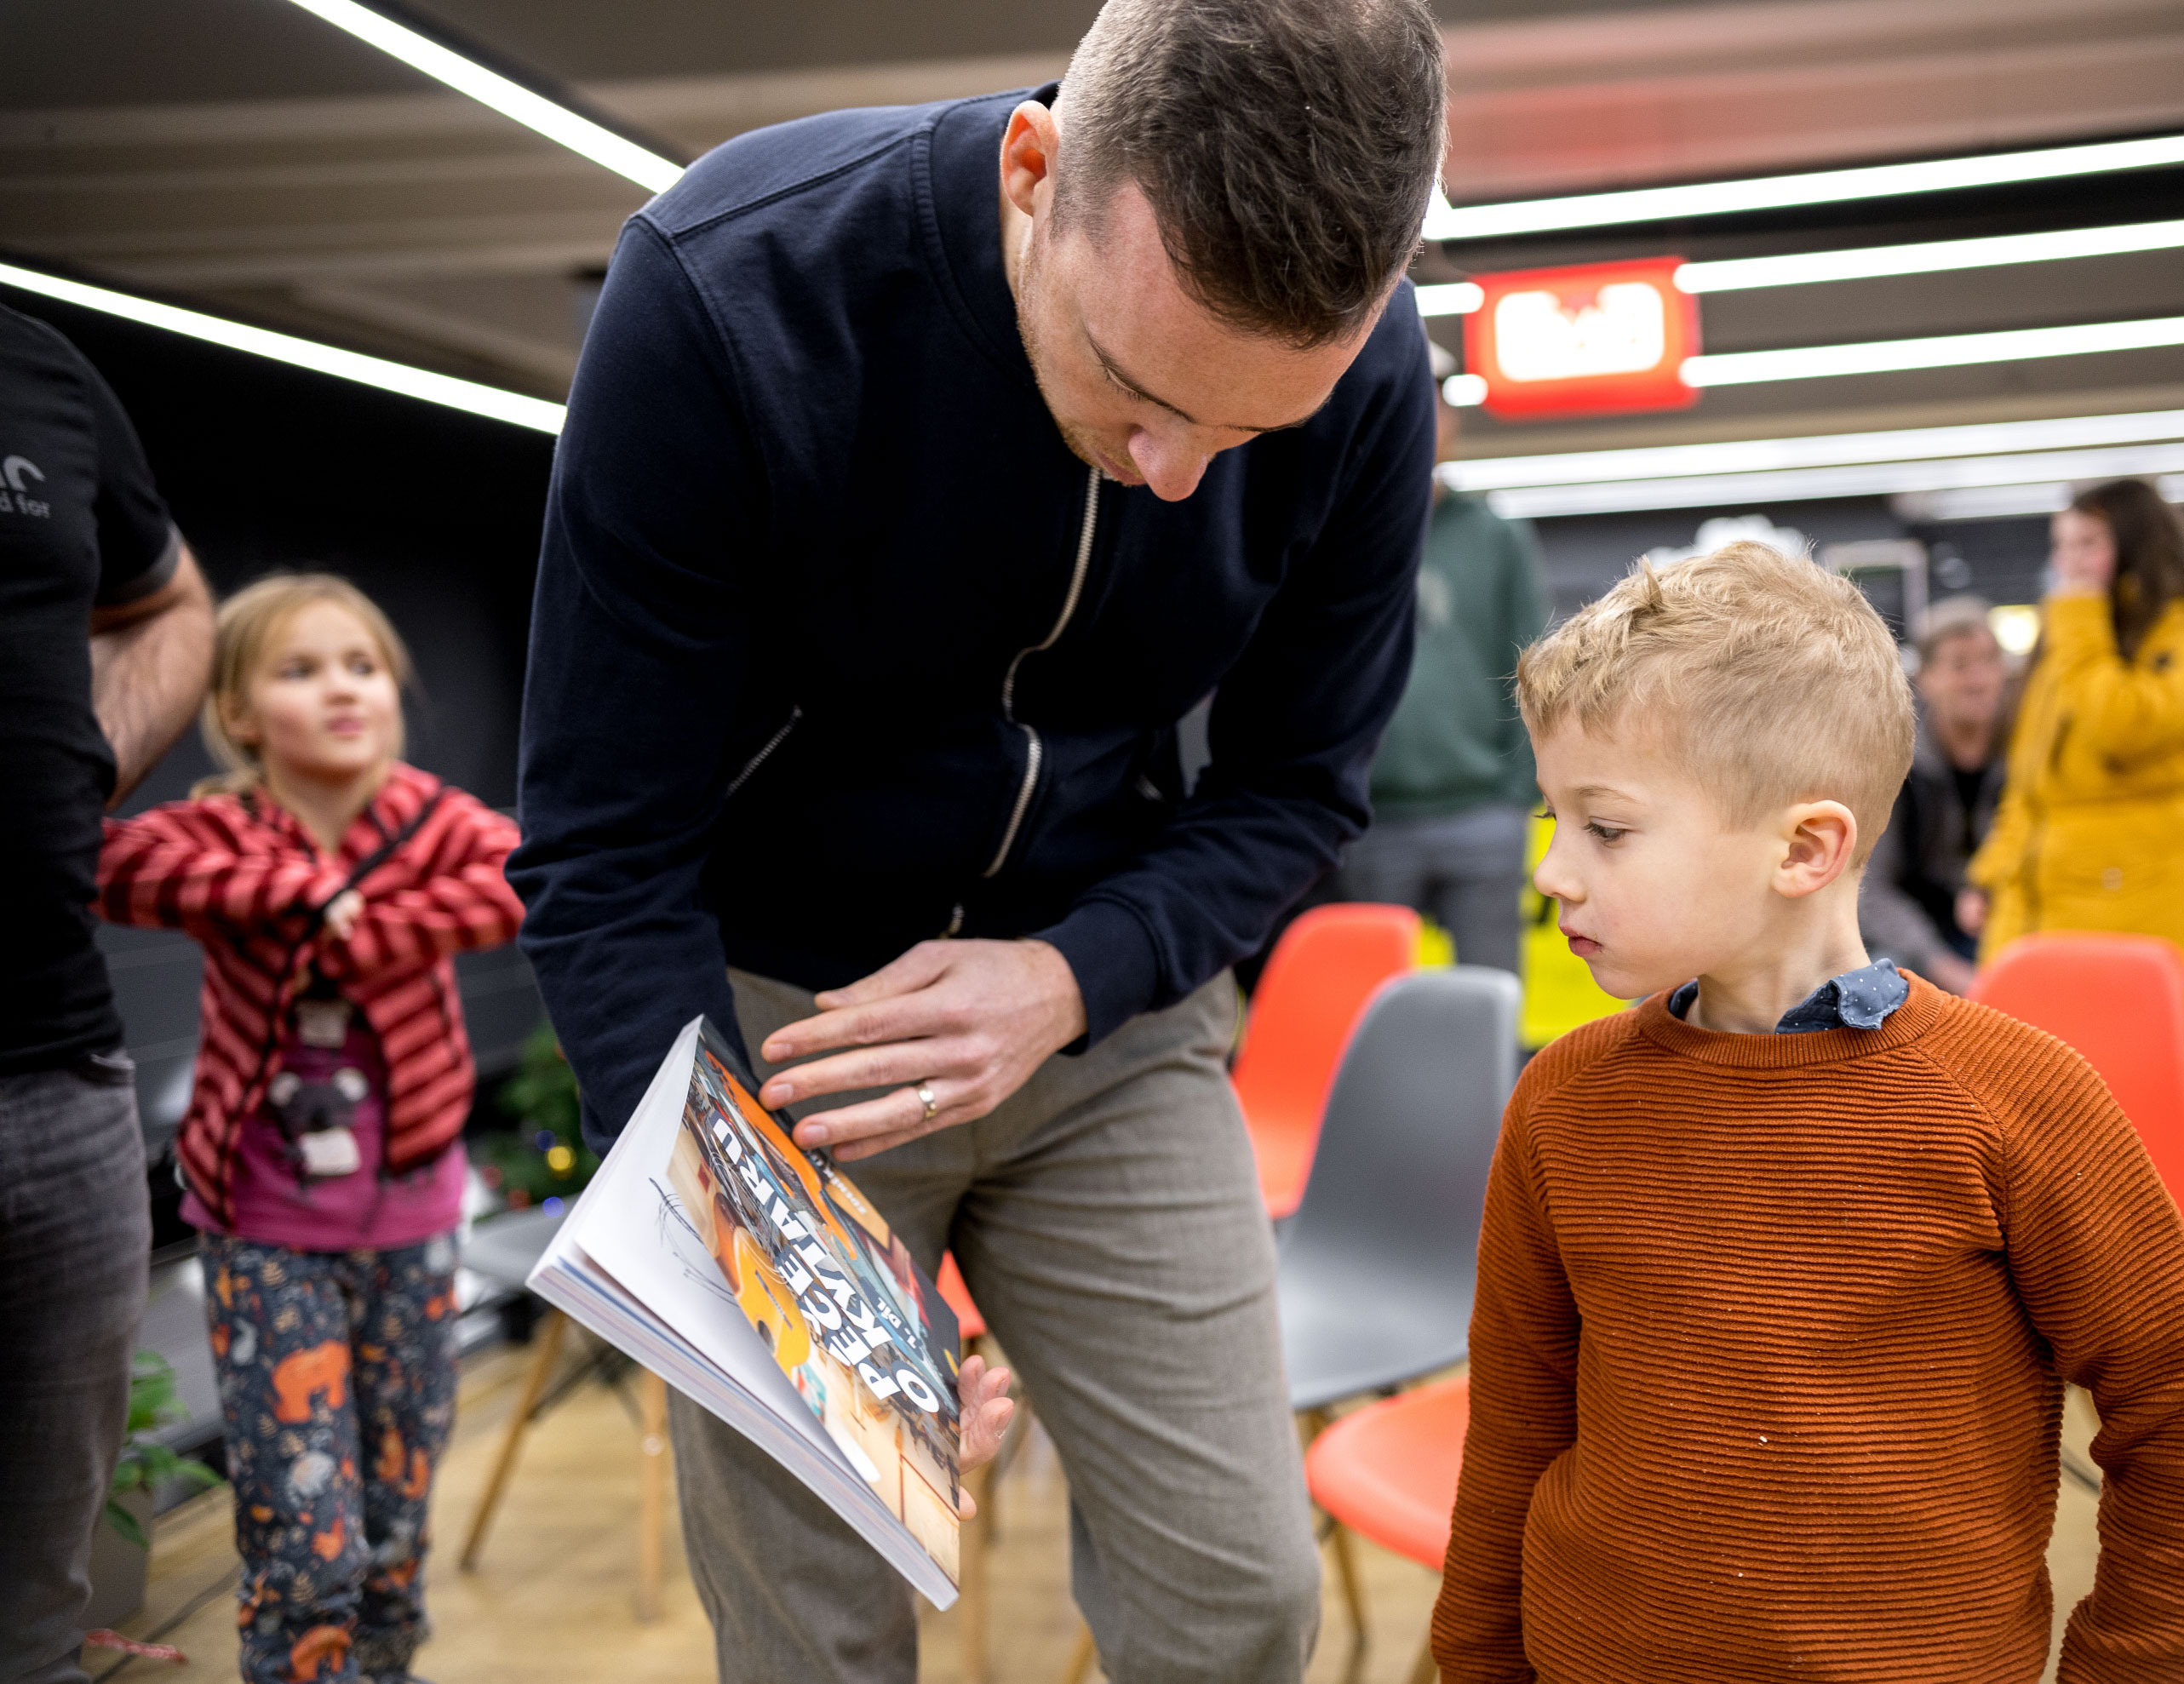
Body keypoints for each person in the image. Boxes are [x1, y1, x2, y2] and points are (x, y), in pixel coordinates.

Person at [506, 0, 1448, 1677]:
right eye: (1141, 389)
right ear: (1034, 170)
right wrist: (761, 1229)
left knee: (1239, 1597)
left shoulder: (1371, 375)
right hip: (779, 1038)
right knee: (819, 1628)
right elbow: (601, 841)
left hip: (1110, 1012)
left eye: (1248, 434)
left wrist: (1067, 975)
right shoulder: (734, 287)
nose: (1178, 479)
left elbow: (1295, 782)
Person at [1430, 541, 2184, 1682]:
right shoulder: (1559, 1105)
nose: (1551, 872)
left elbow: (2176, 1417)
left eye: (1603, 828)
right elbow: (1514, 1430)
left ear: (1804, 848)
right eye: (1552, 819)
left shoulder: (2016, 1101)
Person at [92, 576, 524, 1684]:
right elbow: (107, 861)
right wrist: (285, 889)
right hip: (265, 1228)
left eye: (361, 665)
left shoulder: (432, 817)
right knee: (304, 1531)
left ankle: (384, 1665)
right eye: (299, 669)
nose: (340, 687)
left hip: (414, 1223)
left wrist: (359, 923)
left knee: (394, 1509)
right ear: (237, 711)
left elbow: (517, 882)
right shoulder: (222, 827)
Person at [0, 303, 214, 1684]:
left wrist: (85, 761)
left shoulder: (41, 367)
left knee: (35, 1604)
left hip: (60, 1080)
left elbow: (169, 602)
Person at [1969, 478, 2184, 1158]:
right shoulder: (2076, 633)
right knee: (2043, 1105)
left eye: (2089, 543)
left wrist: (2076, 624)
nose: (2070, 561)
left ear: (2136, 542)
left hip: (2137, 888)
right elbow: (2032, 775)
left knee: (2125, 1109)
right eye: (2062, 544)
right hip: (2051, 887)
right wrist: (1990, 872)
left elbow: (2120, 728)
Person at [1332, 345, 1550, 975]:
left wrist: (1514, 795)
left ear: (1451, 421)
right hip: (1370, 822)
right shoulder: (1334, 530)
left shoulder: (1494, 535)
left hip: (1482, 814)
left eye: (1432, 401)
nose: (1417, 417)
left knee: (1491, 996)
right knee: (1370, 1006)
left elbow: (1534, 668)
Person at [1858, 593, 2006, 994]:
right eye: (1960, 665)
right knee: (1882, 980)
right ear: (1926, 678)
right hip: (1920, 937)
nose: (1978, 680)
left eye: (1989, 662)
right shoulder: (1895, 761)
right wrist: (1941, 964)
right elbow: (1871, 888)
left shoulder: (2028, 751)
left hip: (2007, 924)